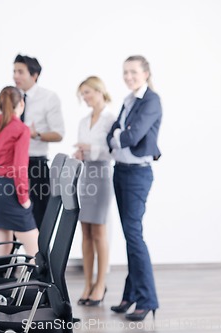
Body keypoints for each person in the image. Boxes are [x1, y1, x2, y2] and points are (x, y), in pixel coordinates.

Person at [107, 55, 162, 321]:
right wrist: (118, 135)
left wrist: (119, 135)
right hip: (120, 172)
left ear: (146, 73)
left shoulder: (152, 100)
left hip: (137, 175)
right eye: (125, 72)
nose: (128, 76)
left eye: (133, 72)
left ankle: (147, 299)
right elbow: (113, 134)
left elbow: (131, 136)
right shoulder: (129, 100)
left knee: (134, 236)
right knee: (131, 236)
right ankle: (131, 295)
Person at [0, 55, 65, 229]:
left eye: (21, 72)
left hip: (35, 168)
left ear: (34, 75)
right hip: (9, 172)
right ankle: (11, 257)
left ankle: (37, 256)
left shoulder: (49, 98)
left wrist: (34, 134)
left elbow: (59, 134)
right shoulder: (10, 96)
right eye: (14, 71)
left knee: (39, 221)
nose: (15, 76)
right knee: (7, 227)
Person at [0, 86, 39, 259]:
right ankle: (40, 287)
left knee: (1, 249)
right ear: (21, 104)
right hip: (12, 192)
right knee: (37, 253)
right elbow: (19, 168)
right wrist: (24, 197)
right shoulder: (21, 129)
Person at [72, 76, 116, 307]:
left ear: (99, 91)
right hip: (85, 175)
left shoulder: (111, 119)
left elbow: (113, 151)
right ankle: (88, 283)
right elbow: (83, 148)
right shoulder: (83, 121)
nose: (85, 98)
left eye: (87, 92)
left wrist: (91, 149)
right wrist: (80, 153)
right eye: (83, 94)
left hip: (102, 176)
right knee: (86, 232)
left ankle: (101, 283)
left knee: (99, 231)